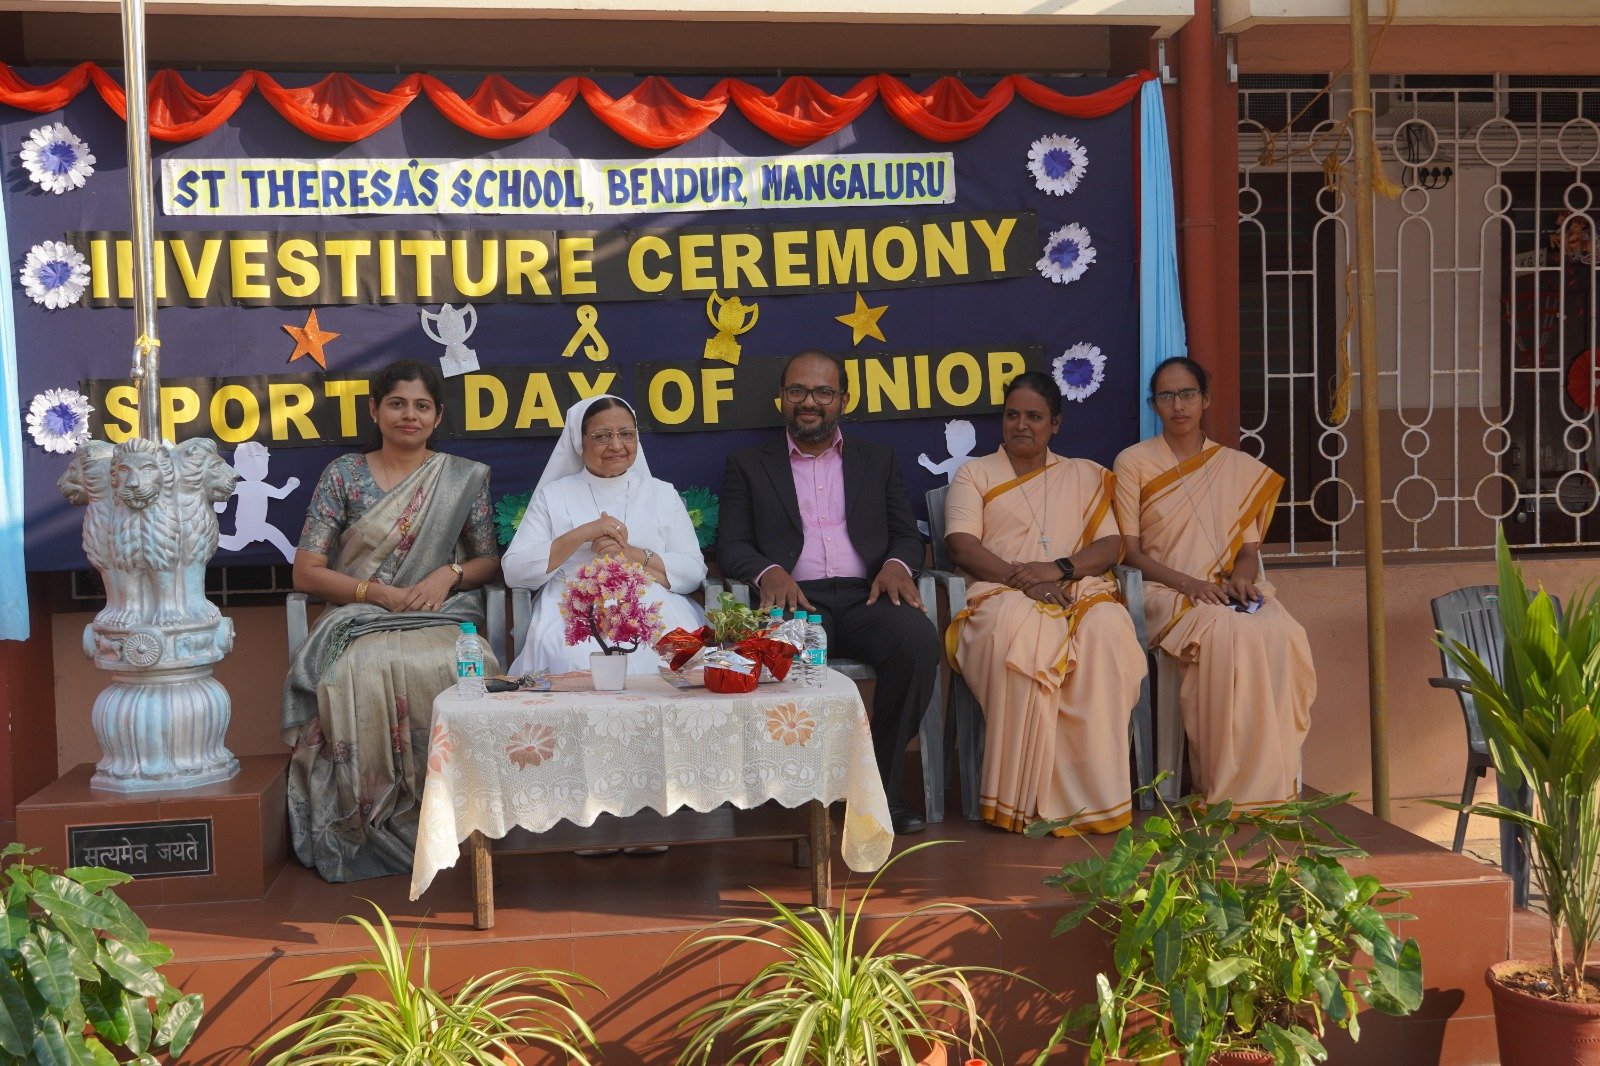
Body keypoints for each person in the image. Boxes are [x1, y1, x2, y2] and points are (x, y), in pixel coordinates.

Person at [282, 359, 501, 882]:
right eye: (397, 404)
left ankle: (456, 825)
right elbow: (307, 571)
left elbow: (489, 562)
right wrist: (377, 593)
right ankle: (373, 819)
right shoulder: (344, 475)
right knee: (356, 672)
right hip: (360, 616)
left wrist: (448, 574)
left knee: (464, 666)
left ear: (437, 415)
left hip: (438, 613)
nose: (410, 415)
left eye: (422, 406)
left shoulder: (461, 478)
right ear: (375, 410)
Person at [717, 349, 941, 835]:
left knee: (918, 641)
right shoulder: (748, 464)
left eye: (823, 392)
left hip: (868, 597)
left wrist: (898, 566)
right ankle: (799, 802)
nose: (809, 402)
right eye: (797, 391)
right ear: (782, 398)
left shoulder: (877, 460)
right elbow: (731, 543)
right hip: (794, 601)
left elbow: (906, 534)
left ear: (843, 399)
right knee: (779, 658)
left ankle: (879, 792)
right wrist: (769, 572)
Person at [943, 372, 1145, 835]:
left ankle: (1096, 797)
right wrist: (1024, 581)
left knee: (1108, 631)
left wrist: (1059, 569)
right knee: (1025, 632)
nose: (1021, 425)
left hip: (1074, 588)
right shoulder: (975, 474)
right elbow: (961, 546)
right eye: (1012, 415)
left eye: (1034, 416)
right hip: (999, 594)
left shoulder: (1083, 474)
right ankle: (1022, 798)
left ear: (1055, 423)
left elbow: (1111, 544)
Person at [1113, 356, 1315, 809]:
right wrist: (1189, 584)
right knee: (1226, 634)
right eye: (1166, 396)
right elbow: (1130, 552)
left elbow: (1248, 551)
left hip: (1224, 591)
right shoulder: (1133, 463)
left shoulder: (1235, 466)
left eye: (1187, 394)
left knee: (1282, 633)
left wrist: (1241, 581)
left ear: (1205, 400)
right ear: (1153, 405)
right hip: (1164, 592)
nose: (1178, 405)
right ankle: (1225, 784)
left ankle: (1272, 778)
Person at [502, 395, 707, 676]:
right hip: (573, 606)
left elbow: (694, 570)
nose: (616, 445)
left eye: (626, 434)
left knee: (665, 650)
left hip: (652, 603)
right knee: (575, 657)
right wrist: (582, 534)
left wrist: (630, 554)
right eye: (602, 436)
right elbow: (514, 571)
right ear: (579, 441)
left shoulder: (661, 493)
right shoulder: (554, 495)